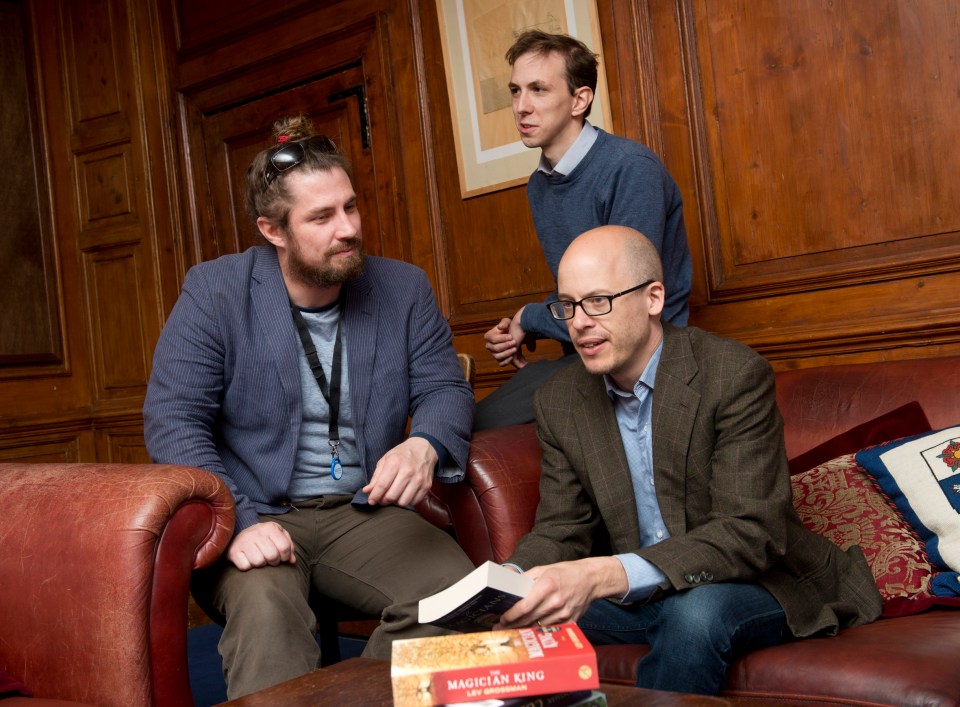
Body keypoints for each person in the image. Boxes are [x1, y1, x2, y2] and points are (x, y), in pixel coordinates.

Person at [142, 116, 476, 698]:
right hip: (256, 511)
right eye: (322, 217)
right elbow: (174, 421)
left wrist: (427, 442)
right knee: (269, 618)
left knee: (461, 600)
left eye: (350, 207)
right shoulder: (216, 291)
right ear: (273, 230)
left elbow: (444, 388)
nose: (347, 229)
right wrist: (237, 521)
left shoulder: (403, 288)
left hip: (364, 512)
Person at [494, 225, 882, 695]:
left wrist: (604, 573)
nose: (578, 322)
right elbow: (562, 528)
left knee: (694, 616)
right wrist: (509, 583)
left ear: (653, 298)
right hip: (639, 595)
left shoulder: (732, 374)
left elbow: (751, 531)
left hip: (754, 582)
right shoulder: (560, 399)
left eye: (598, 301)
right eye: (569, 305)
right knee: (514, 617)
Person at [475, 30, 693, 431]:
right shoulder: (540, 185)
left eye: (539, 89)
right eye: (515, 91)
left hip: (651, 358)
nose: (522, 107)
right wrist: (523, 325)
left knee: (478, 428)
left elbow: (619, 304)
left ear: (580, 100)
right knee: (466, 428)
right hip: (588, 353)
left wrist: (530, 316)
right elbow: (582, 291)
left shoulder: (631, 168)